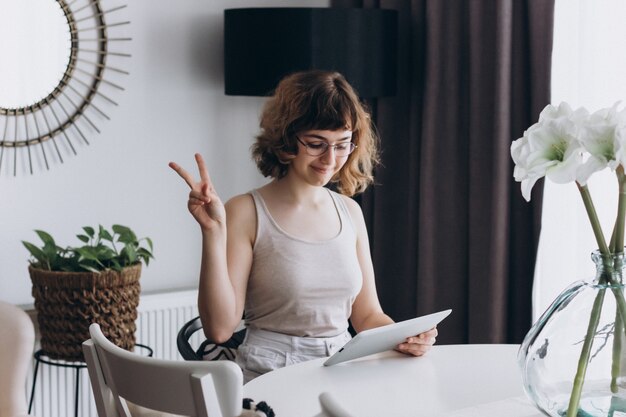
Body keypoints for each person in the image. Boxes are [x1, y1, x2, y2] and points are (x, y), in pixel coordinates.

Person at [169, 70, 438, 382]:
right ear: (286, 140)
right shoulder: (246, 211)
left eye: (342, 145)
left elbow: (366, 315)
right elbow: (219, 329)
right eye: (316, 143)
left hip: (340, 370)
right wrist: (213, 232)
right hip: (268, 375)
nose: (330, 158)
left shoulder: (350, 212)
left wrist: (404, 337)